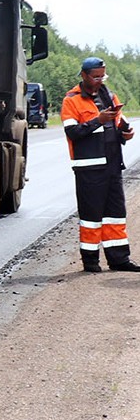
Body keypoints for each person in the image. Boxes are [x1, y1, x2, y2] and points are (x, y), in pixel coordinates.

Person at [61, 56, 138, 272]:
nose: (99, 80)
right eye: (95, 77)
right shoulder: (72, 100)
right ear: (84, 75)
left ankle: (119, 260)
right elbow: (73, 132)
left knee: (115, 214)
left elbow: (117, 124)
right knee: (91, 216)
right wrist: (98, 120)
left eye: (102, 76)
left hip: (113, 166)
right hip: (89, 168)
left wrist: (125, 133)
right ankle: (91, 261)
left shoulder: (110, 96)